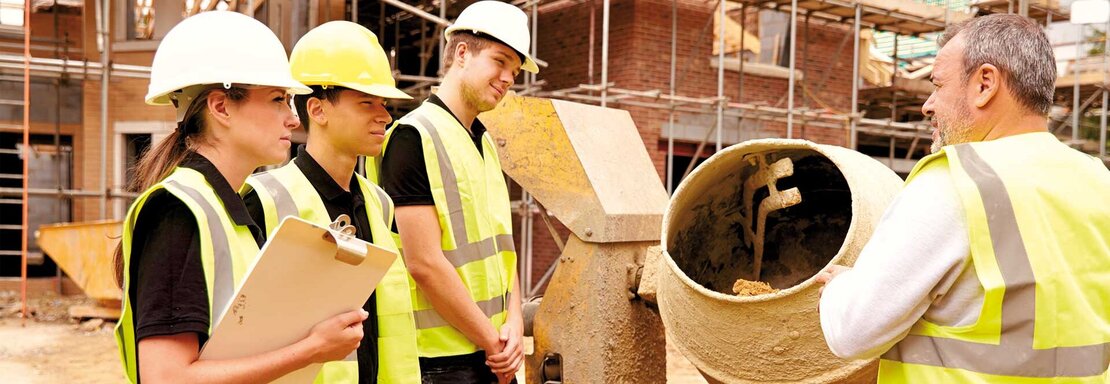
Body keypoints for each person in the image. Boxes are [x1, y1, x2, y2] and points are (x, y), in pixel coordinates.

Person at [816, 14, 1110, 383]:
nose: (927, 105)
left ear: (985, 84)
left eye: (938, 85)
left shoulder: (956, 182)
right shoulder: (1097, 179)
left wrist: (843, 286)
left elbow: (852, 332)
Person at [113, 11, 367, 383]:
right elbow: (166, 377)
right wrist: (310, 350)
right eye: (279, 99)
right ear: (221, 107)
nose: (293, 119)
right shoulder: (177, 211)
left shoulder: (229, 209)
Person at [367, 1, 539, 383]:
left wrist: (513, 324)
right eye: (500, 61)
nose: (509, 77)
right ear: (462, 53)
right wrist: (492, 341)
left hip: (494, 353)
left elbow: (502, 249)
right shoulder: (413, 137)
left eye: (515, 70)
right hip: (442, 363)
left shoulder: (486, 143)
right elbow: (423, 263)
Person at [241, 21, 418, 384]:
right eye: (366, 102)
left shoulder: (379, 203)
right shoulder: (263, 201)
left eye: (384, 104)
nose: (384, 115)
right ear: (318, 110)